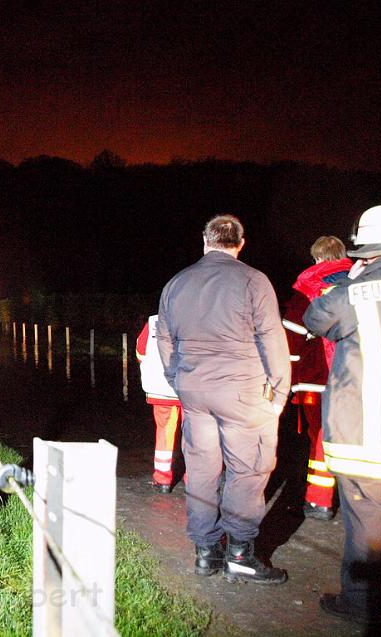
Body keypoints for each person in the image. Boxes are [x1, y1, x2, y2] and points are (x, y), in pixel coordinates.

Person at [303, 204, 381, 627]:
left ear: (368, 251)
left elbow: (316, 319)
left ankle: (360, 602)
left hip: (365, 434)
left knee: (365, 525)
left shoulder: (357, 291)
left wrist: (353, 278)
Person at [157, 214, 291, 583]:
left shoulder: (176, 283)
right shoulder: (253, 281)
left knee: (201, 470)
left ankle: (205, 552)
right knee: (247, 470)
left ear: (205, 241)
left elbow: (165, 341)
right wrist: (279, 393)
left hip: (195, 392)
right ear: (240, 244)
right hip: (243, 393)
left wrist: (178, 380)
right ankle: (239, 553)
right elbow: (272, 338)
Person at [282, 236, 352, 520]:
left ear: (317, 258)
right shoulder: (360, 280)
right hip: (358, 373)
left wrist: (284, 376)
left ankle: (320, 499)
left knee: (321, 435)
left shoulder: (309, 285)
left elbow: (292, 334)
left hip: (318, 375)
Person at [136, 315, 183, 494]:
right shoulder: (198, 316)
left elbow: (141, 352)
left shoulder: (152, 322)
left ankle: (163, 478)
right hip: (191, 389)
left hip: (161, 389)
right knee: (194, 433)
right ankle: (195, 479)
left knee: (164, 432)